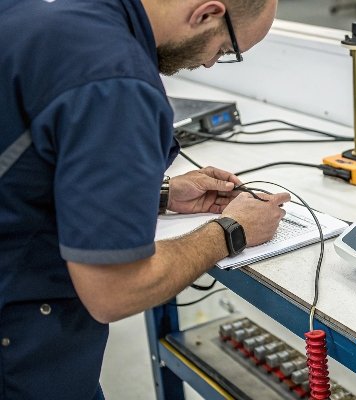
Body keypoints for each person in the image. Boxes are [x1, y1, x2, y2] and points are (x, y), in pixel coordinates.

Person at [0, 0, 286, 398]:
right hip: (19, 346)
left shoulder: (41, 12)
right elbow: (115, 289)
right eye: (223, 51)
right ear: (206, 13)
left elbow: (29, 167)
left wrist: (159, 194)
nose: (207, 64)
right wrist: (232, 230)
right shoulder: (116, 82)